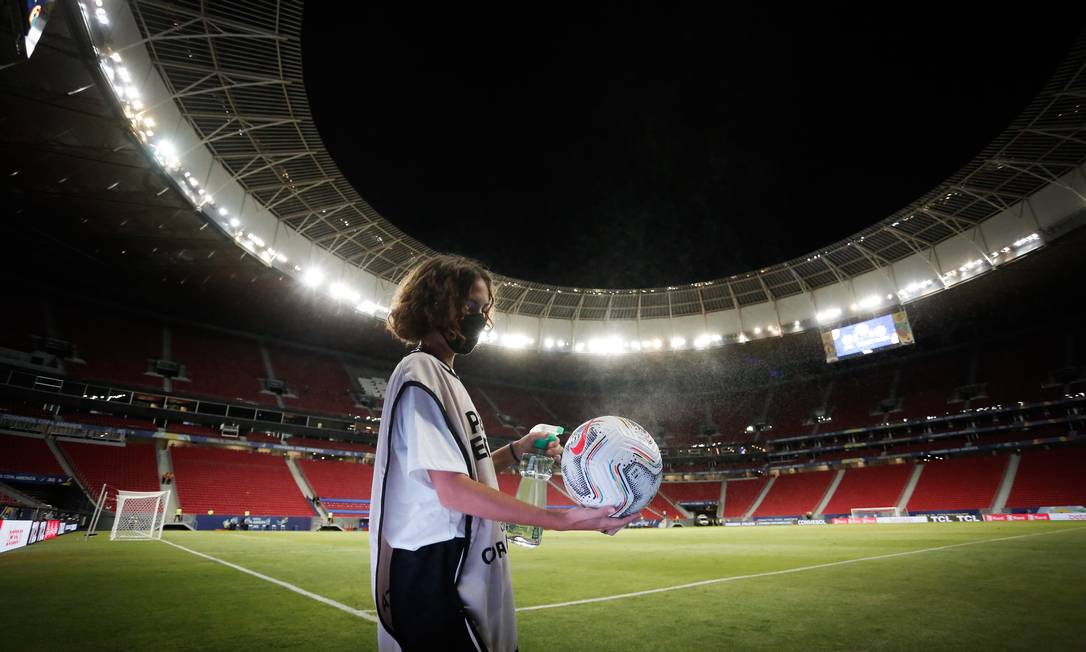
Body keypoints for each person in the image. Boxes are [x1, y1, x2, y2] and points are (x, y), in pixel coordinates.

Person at [370, 255, 637, 652]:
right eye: (469, 306)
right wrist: (560, 520)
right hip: (438, 570)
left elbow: (454, 473)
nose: (477, 317)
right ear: (433, 303)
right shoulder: (420, 373)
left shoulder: (443, 378)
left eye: (482, 309)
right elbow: (452, 491)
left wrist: (517, 450)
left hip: (456, 563)